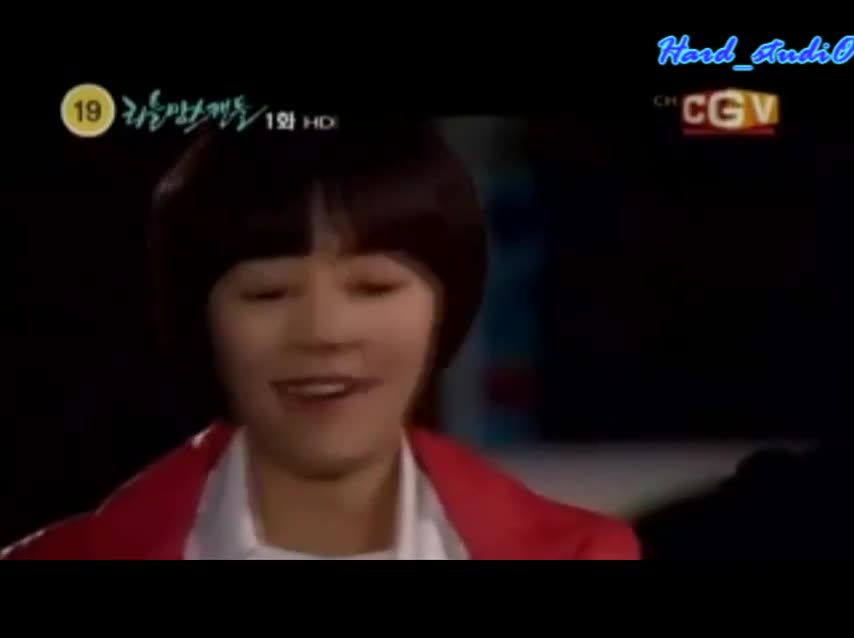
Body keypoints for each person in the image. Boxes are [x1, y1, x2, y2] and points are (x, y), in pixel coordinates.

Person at [3, 119, 639, 560]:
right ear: (201, 319)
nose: (325, 334)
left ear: (447, 305)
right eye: (268, 294)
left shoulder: (582, 553)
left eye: (374, 288)